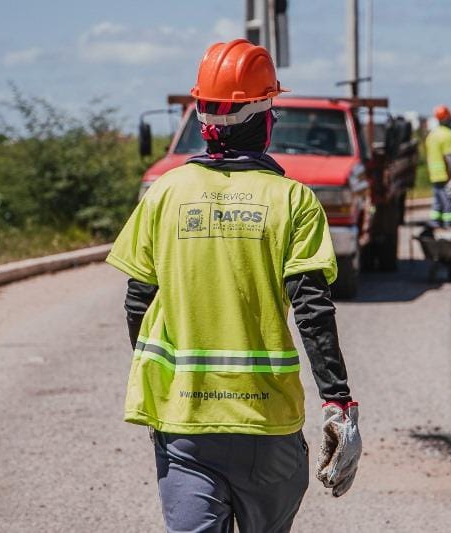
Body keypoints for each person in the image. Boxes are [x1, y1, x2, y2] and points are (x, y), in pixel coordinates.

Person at [106, 39, 361, 533]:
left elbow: (138, 300)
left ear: (204, 123)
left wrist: (162, 387)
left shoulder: (164, 195)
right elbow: (312, 309)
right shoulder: (294, 201)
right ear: (266, 118)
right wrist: (338, 402)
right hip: (268, 426)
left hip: (184, 423)